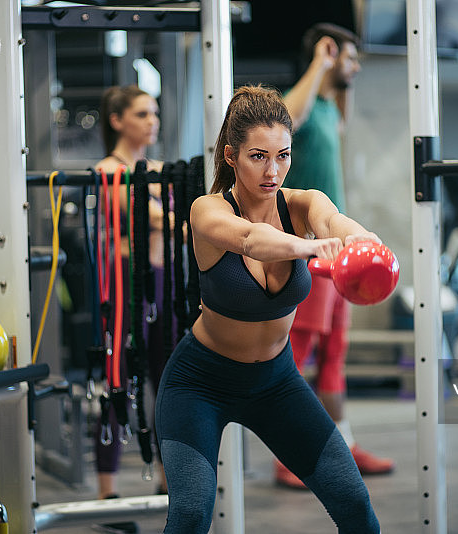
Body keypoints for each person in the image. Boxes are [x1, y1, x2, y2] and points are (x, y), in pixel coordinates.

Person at [155, 85, 381, 533]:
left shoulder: (303, 204)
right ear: (230, 156)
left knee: (355, 505)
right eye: (258, 156)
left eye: (283, 155)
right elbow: (249, 240)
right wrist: (312, 249)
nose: (272, 170)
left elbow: (336, 221)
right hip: (199, 383)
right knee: (190, 514)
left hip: (277, 383)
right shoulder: (208, 211)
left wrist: (365, 243)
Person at [276, 23, 393, 488]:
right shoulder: (301, 103)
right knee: (297, 357)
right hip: (305, 252)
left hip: (337, 250)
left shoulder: (329, 108)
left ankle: (341, 444)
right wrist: (322, 61)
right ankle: (288, 458)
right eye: (350, 57)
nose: (357, 66)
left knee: (334, 356)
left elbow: (336, 106)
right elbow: (285, 120)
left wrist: (338, 74)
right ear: (326, 54)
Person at [94, 84, 171, 499]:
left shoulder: (156, 168)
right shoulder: (110, 169)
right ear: (118, 120)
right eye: (142, 114)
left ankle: (167, 478)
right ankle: (108, 491)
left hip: (163, 280)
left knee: (169, 382)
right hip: (125, 280)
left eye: (154, 113)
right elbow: (152, 216)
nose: (152, 121)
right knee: (118, 382)